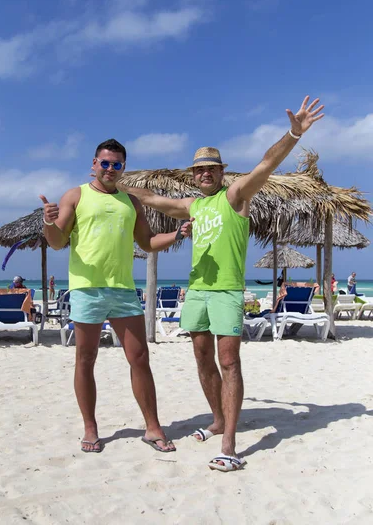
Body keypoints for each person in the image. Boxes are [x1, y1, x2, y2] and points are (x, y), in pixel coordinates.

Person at [119, 96, 324, 472]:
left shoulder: (235, 196)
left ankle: (229, 444)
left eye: (211, 168)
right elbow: (151, 198)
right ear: (193, 176)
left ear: (221, 171)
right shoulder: (193, 206)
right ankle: (216, 419)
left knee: (229, 361)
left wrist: (294, 133)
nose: (205, 174)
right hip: (197, 291)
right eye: (199, 171)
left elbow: (266, 164)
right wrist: (111, 181)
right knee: (201, 357)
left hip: (228, 291)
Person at [40, 138, 192, 454]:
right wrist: (48, 221)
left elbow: (148, 242)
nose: (110, 169)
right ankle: (91, 428)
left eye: (117, 164)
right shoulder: (76, 195)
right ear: (94, 165)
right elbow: (56, 242)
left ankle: (152, 427)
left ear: (123, 168)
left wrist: (177, 234)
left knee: (139, 358)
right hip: (86, 289)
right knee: (85, 358)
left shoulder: (131, 202)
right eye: (105, 163)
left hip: (123, 290)